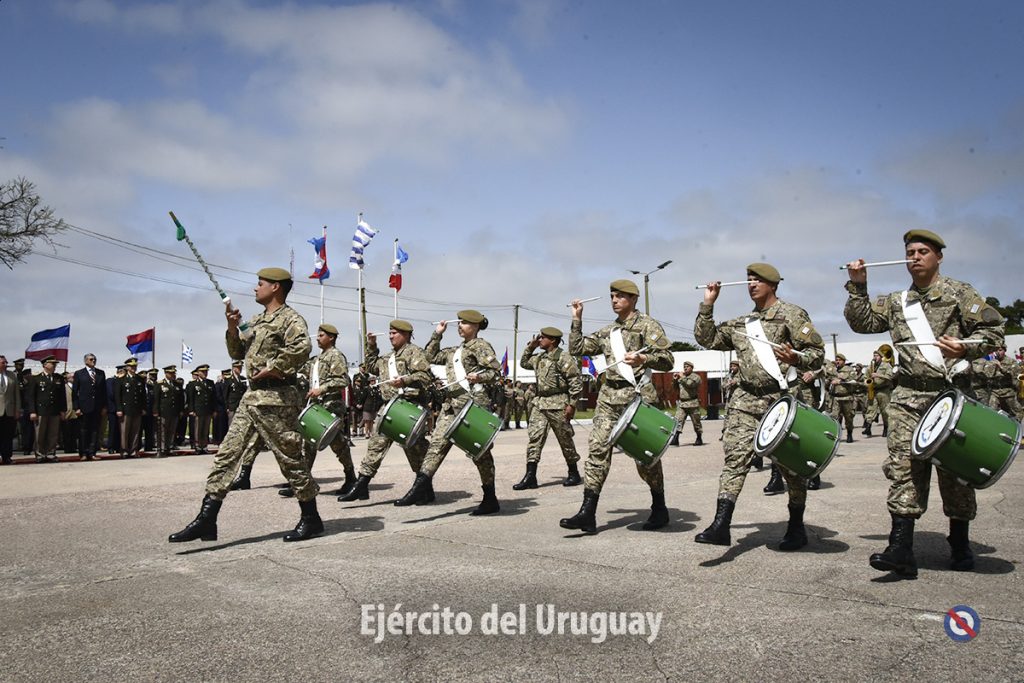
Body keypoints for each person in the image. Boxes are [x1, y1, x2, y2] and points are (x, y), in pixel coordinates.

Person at [844, 229, 1003, 578]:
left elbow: (993, 332)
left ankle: (959, 542)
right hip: (906, 398)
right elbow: (863, 323)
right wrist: (858, 286)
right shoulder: (896, 301)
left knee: (954, 474)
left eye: (923, 251)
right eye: (910, 252)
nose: (915, 257)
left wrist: (966, 347)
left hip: (951, 397)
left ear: (938, 257)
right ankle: (901, 548)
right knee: (903, 469)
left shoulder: (960, 293)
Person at [169, 267, 319, 543]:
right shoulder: (257, 321)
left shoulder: (291, 319)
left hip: (276, 400)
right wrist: (232, 326)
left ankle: (311, 518)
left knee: (290, 459)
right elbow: (237, 352)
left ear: (275, 287)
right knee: (227, 455)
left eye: (260, 283)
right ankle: (207, 518)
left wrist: (275, 367)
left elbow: (302, 348)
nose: (255, 288)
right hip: (252, 398)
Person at [693, 263, 825, 549]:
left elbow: (817, 354)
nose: (751, 284)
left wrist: (797, 358)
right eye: (749, 280)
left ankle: (796, 526)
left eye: (757, 280)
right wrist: (708, 304)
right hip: (745, 399)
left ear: (773, 284)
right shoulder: (742, 323)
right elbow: (707, 338)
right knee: (735, 459)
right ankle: (721, 525)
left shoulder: (792, 315)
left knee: (791, 468)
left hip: (781, 401)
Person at [561, 279, 675, 533]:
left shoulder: (648, 325)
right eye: (612, 296)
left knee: (645, 458)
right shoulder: (608, 331)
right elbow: (577, 348)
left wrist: (644, 357)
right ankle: (587, 512)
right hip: (608, 399)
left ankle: (659, 507)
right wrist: (577, 318)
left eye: (620, 296)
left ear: (633, 299)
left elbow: (667, 359)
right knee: (597, 451)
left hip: (637, 398)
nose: (614, 300)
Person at [394, 310, 502, 515]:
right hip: (451, 406)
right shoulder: (455, 350)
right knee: (436, 446)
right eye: (459, 322)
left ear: (475, 326)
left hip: (472, 406)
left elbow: (496, 372)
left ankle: (490, 498)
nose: (459, 326)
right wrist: (437, 334)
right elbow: (429, 357)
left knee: (480, 454)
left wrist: (479, 377)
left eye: (464, 323)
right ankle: (420, 487)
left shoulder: (481, 346)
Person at [341, 319, 434, 502]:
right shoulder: (388, 357)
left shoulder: (414, 352)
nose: (391, 336)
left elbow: (424, 376)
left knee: (415, 450)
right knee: (375, 445)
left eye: (394, 333)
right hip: (389, 407)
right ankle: (362, 485)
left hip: (408, 407)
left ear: (406, 334)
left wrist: (404, 380)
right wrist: (372, 345)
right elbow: (371, 366)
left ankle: (425, 490)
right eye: (390, 333)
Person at [280, 323, 356, 498]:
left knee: (335, 443)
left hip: (330, 406)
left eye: (321, 335)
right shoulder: (317, 359)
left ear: (331, 337)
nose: (318, 338)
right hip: (317, 407)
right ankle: (303, 483)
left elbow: (342, 380)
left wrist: (321, 389)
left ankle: (350, 477)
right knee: (311, 444)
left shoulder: (335, 356)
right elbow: (300, 369)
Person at [514, 327, 583, 490]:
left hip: (558, 403)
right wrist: (530, 347)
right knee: (535, 438)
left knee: (565, 439)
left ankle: (574, 473)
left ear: (552, 340)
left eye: (542, 337)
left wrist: (572, 404)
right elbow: (524, 363)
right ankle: (530, 476)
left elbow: (575, 381)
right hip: (540, 403)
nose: (539, 340)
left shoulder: (563, 357)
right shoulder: (539, 358)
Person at [27, 355, 66, 462]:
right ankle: (40, 454)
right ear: (45, 365)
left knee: (53, 434)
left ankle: (50, 453)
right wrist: (32, 411)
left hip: (55, 410)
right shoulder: (36, 378)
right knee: (40, 434)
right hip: (41, 411)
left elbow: (62, 396)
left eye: (55, 364)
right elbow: (31, 396)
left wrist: (63, 410)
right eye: (52, 363)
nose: (54, 365)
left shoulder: (58, 378)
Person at [71, 353, 106, 461]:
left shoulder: (100, 373)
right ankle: (83, 453)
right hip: (84, 407)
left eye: (94, 359)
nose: (93, 361)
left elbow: (103, 391)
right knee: (84, 431)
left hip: (97, 407)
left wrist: (104, 407)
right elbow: (75, 392)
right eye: (91, 359)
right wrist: (76, 407)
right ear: (85, 361)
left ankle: (92, 452)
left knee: (95, 430)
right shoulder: (79, 373)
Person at [114, 358, 147, 458]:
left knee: (135, 431)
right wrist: (119, 409)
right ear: (127, 367)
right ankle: (124, 450)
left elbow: (143, 395)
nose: (133, 368)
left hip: (137, 409)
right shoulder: (121, 379)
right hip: (126, 409)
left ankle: (133, 450)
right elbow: (117, 395)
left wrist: (143, 408)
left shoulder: (139, 379)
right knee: (125, 431)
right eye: (131, 366)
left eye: (135, 366)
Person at [153, 365, 185, 457]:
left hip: (174, 411)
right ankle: (162, 448)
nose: (172, 375)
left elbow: (180, 399)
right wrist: (156, 410)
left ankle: (170, 447)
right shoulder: (160, 384)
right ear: (166, 373)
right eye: (170, 373)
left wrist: (181, 410)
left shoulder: (177, 384)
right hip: (164, 411)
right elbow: (156, 399)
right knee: (162, 431)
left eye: (173, 373)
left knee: (172, 430)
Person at [864, 345, 896, 437]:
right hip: (873, 390)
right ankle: (868, 428)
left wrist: (878, 375)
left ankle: (886, 428)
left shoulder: (886, 365)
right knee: (870, 409)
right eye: (874, 355)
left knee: (885, 411)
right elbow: (865, 378)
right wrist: (867, 383)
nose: (875, 357)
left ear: (881, 357)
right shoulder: (870, 367)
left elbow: (890, 377)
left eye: (877, 356)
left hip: (884, 391)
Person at [984, 345, 1023, 419]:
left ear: (1005, 351)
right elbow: (986, 374)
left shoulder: (1011, 361)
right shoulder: (991, 361)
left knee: (1018, 412)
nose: (998, 352)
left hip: (1008, 392)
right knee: (990, 411)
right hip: (995, 392)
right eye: (996, 350)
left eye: (1000, 350)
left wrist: (1001, 367)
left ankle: (1015, 424)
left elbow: (1014, 374)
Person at [829, 354, 859, 443]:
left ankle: (849, 434)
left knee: (848, 418)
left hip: (846, 397)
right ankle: (836, 435)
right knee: (834, 417)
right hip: (836, 398)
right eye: (836, 360)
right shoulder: (833, 370)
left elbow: (854, 381)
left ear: (844, 361)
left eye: (839, 360)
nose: (837, 361)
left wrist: (841, 381)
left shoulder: (849, 370)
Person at [673, 362, 704, 446]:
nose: (685, 368)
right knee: (678, 421)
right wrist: (675, 380)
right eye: (684, 367)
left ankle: (699, 438)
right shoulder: (682, 377)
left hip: (692, 403)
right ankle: (675, 439)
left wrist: (682, 377)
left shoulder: (695, 377)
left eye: (687, 367)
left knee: (696, 422)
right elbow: (675, 388)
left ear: (692, 368)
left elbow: (690, 384)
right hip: (682, 403)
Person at [186, 364, 215, 454]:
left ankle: (204, 446)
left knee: (206, 429)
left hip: (208, 410)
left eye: (206, 371)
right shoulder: (193, 384)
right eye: (203, 372)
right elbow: (191, 398)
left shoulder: (210, 383)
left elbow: (213, 398)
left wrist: (214, 410)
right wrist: (191, 410)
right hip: (198, 410)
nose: (205, 373)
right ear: (198, 373)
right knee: (198, 429)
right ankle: (198, 446)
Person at [0, 355, 20, 464]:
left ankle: (7, 457)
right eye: (3, 362)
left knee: (8, 435)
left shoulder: (12, 375)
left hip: (9, 410)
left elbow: (17, 394)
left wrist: (17, 410)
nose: (5, 364)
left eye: (6, 362)